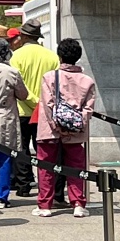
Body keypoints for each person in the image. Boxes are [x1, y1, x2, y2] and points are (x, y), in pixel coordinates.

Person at [34, 38, 96, 218]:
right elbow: (88, 109)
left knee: (46, 166)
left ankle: (45, 205)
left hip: (49, 130)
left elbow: (48, 104)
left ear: (59, 56)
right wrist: (76, 124)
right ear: (78, 57)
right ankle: (78, 203)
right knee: (76, 167)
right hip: (76, 130)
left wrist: (57, 125)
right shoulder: (87, 81)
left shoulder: (49, 77)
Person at [9, 20, 60, 199]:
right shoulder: (52, 57)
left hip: (22, 109)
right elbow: (56, 84)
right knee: (44, 150)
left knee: (21, 148)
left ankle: (23, 185)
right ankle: (46, 186)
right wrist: (40, 102)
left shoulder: (16, 56)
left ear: (23, 36)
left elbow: (15, 83)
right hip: (45, 110)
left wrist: (31, 100)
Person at [0, 37, 31, 209]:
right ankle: (1, 197)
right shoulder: (11, 72)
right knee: (4, 158)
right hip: (4, 117)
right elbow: (23, 95)